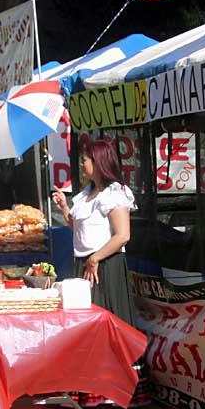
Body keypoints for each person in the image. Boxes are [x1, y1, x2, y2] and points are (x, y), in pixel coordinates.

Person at [52, 138, 136, 326]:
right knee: (86, 320)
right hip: (86, 264)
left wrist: (95, 258)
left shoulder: (114, 193)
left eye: (85, 160)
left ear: (98, 162)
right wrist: (65, 208)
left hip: (105, 265)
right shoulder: (87, 193)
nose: (81, 164)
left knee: (106, 319)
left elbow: (123, 235)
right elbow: (80, 230)